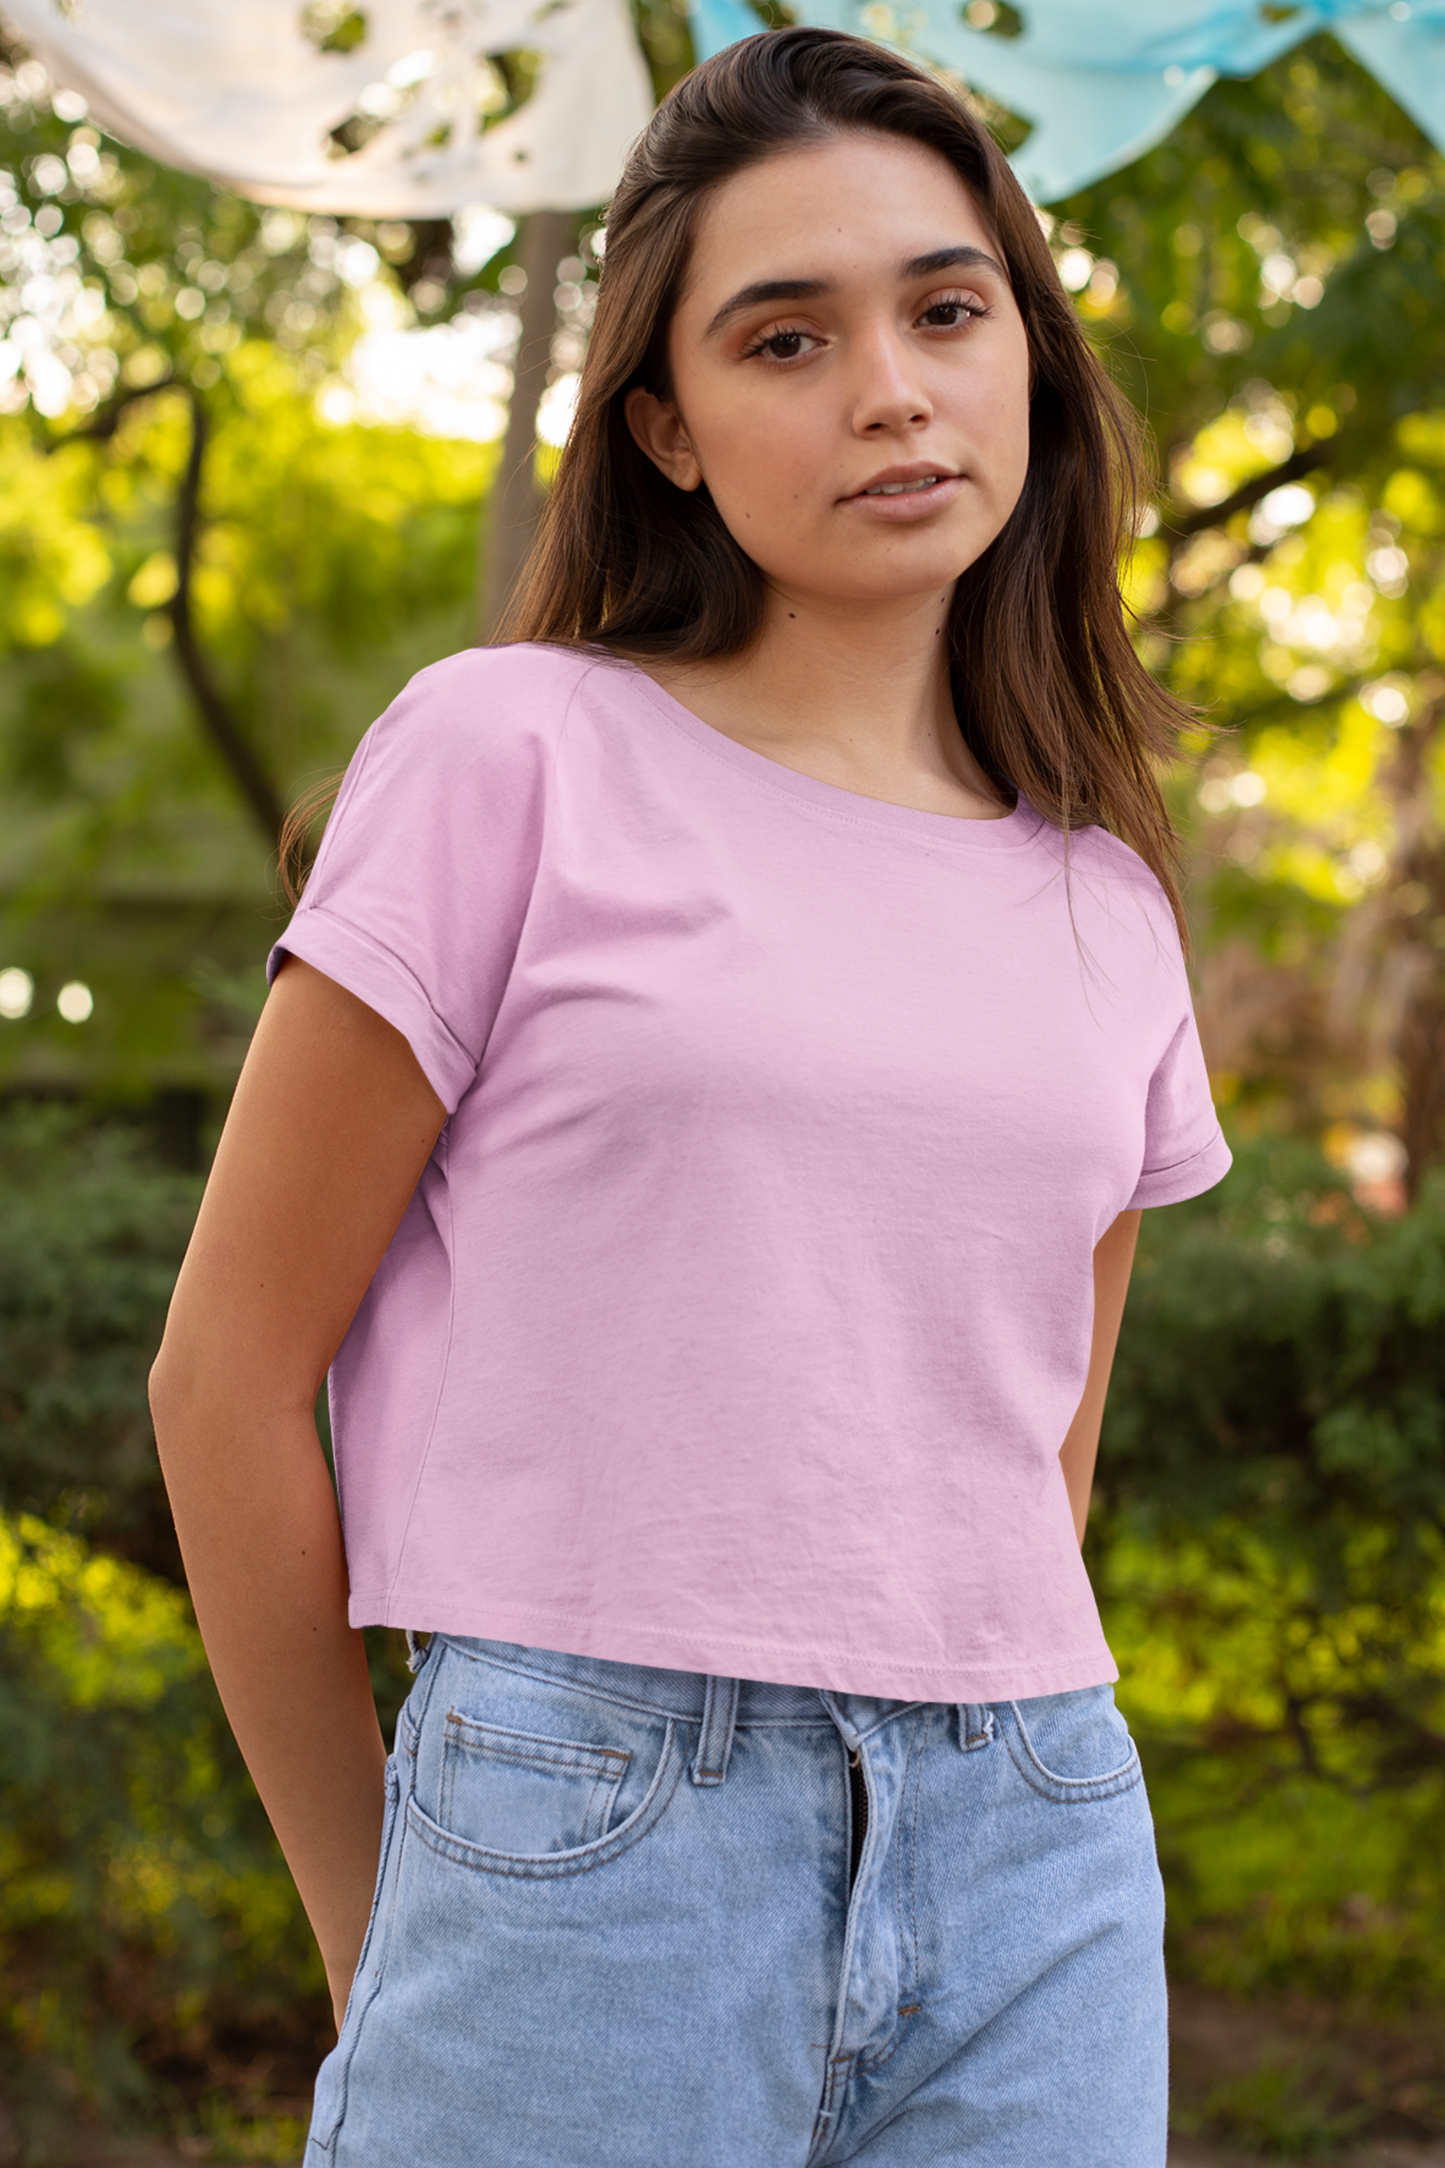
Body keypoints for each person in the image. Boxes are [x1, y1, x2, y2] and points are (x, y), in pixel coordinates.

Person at [149, 26, 1231, 2166]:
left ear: (1022, 347)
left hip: (1037, 1848)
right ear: (664, 424)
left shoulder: (1104, 900)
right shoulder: (507, 757)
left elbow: (1034, 1458)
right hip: (581, 1837)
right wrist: (393, 1921)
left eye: (943, 308)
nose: (889, 389)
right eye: (783, 337)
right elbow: (223, 1376)